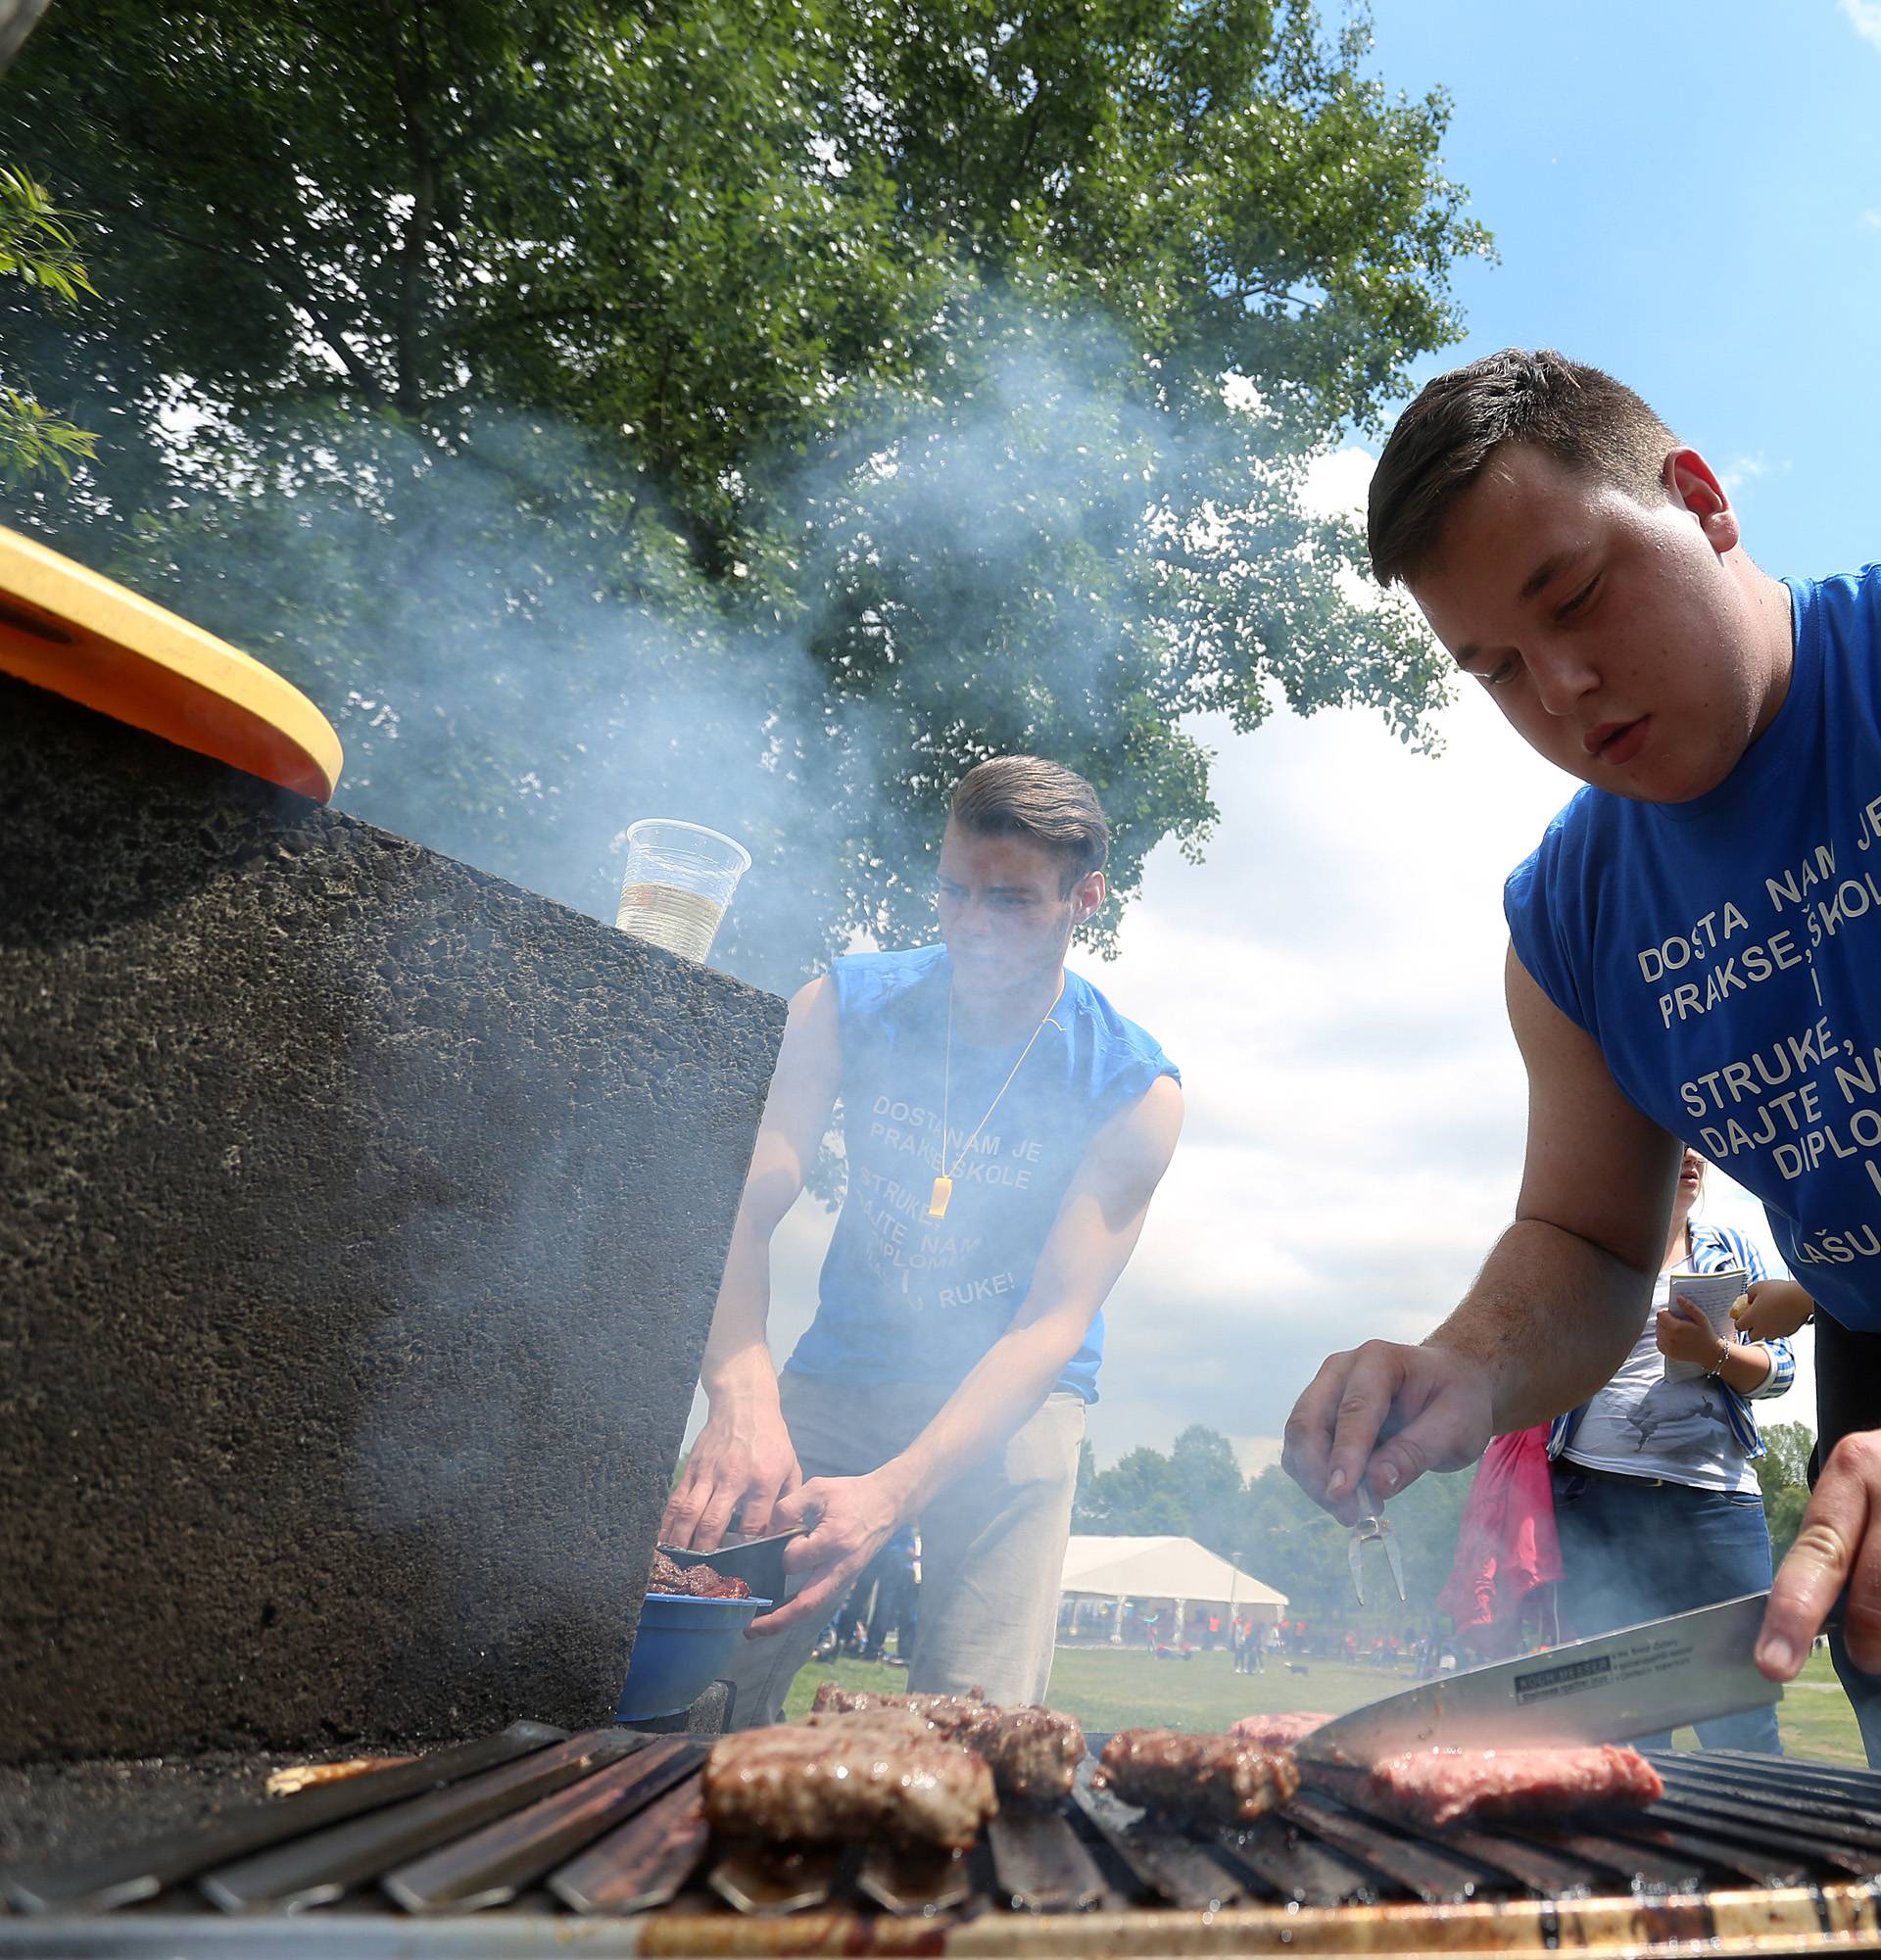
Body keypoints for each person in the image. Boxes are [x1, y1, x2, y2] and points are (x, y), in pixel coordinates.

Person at [1278, 349, 1881, 1761]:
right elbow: (1588, 1241)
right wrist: (1463, 1367)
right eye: (1493, 666)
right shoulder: (1570, 922)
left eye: (1575, 592)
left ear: (1702, 499)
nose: (1560, 686)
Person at [661, 756, 1182, 1724]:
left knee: (971, 1729)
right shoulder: (843, 1004)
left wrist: (892, 1495)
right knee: (691, 1688)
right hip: (840, 1372)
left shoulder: (1132, 1089)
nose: (971, 926)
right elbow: (741, 1206)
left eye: (1013, 902)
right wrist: (739, 1395)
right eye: (954, 890)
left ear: (1087, 899)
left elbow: (1046, 1328)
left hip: (1014, 1400)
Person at [1548, 1149, 1795, 1752]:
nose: (1689, 1153)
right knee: (1630, 1721)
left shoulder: (1731, 1247)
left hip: (1718, 1507)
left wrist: (1712, 1351)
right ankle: (1642, 1842)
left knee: (1741, 1713)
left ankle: (1750, 1843)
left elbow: (1780, 1372)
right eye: (1665, 1138)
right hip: (1597, 1497)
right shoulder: (1588, 1250)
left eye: (1693, 1139)